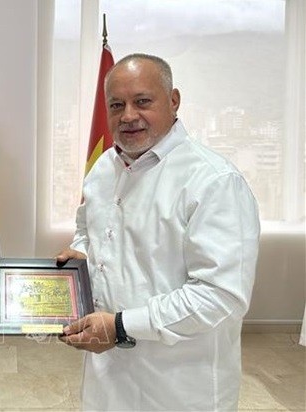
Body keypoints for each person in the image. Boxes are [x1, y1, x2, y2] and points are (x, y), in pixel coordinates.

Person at [56, 53, 260, 411]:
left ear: (174, 100)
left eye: (143, 101)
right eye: (116, 105)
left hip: (178, 389)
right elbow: (87, 234)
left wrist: (120, 327)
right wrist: (80, 261)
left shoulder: (214, 181)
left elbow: (220, 296)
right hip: (106, 383)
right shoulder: (104, 168)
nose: (129, 115)